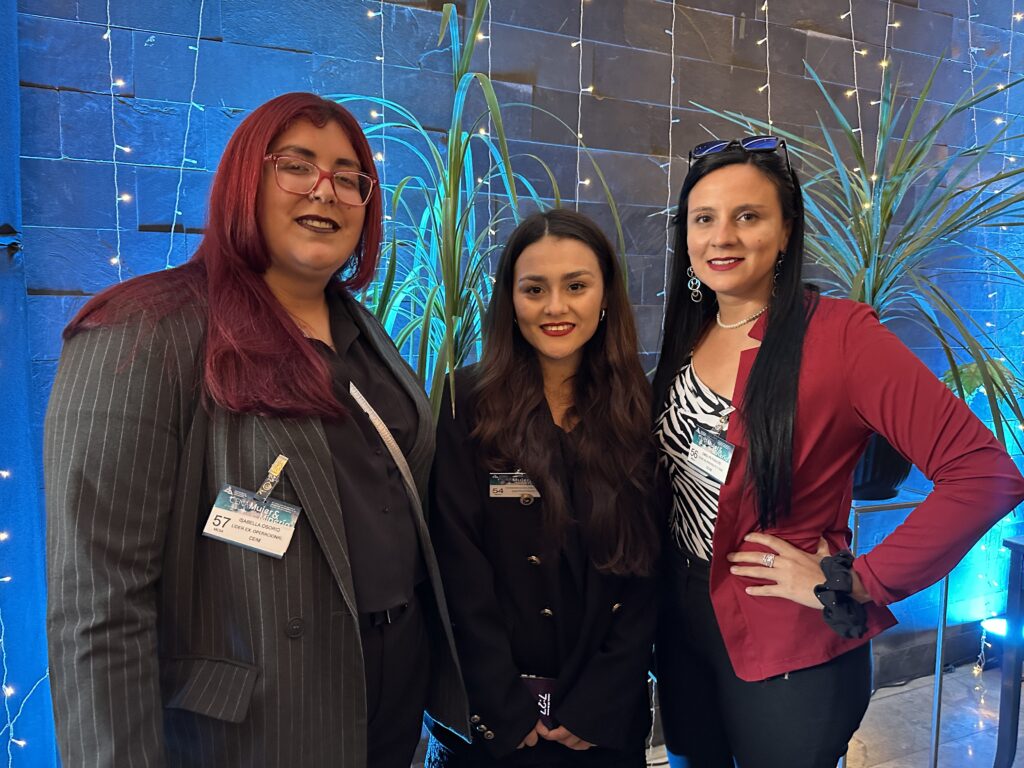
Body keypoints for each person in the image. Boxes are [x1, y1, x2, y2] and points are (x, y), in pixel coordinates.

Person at [44, 92, 469, 767]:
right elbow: (99, 607)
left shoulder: (367, 336)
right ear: (245, 180)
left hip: (391, 708)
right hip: (254, 728)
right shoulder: (146, 330)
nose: (325, 190)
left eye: (349, 177)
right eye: (296, 166)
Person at [651, 136, 1024, 768]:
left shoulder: (841, 335)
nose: (722, 237)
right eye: (703, 218)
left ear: (786, 231)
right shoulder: (691, 331)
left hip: (786, 644)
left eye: (748, 216)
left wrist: (860, 580)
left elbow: (984, 474)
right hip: (683, 626)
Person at [425, 209, 661, 767]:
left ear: (605, 297)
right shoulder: (464, 403)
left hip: (602, 722)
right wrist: (503, 706)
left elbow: (650, 571)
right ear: (510, 301)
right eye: (534, 289)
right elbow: (456, 566)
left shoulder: (640, 408)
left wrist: (601, 703)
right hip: (494, 721)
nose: (556, 307)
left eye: (576, 286)